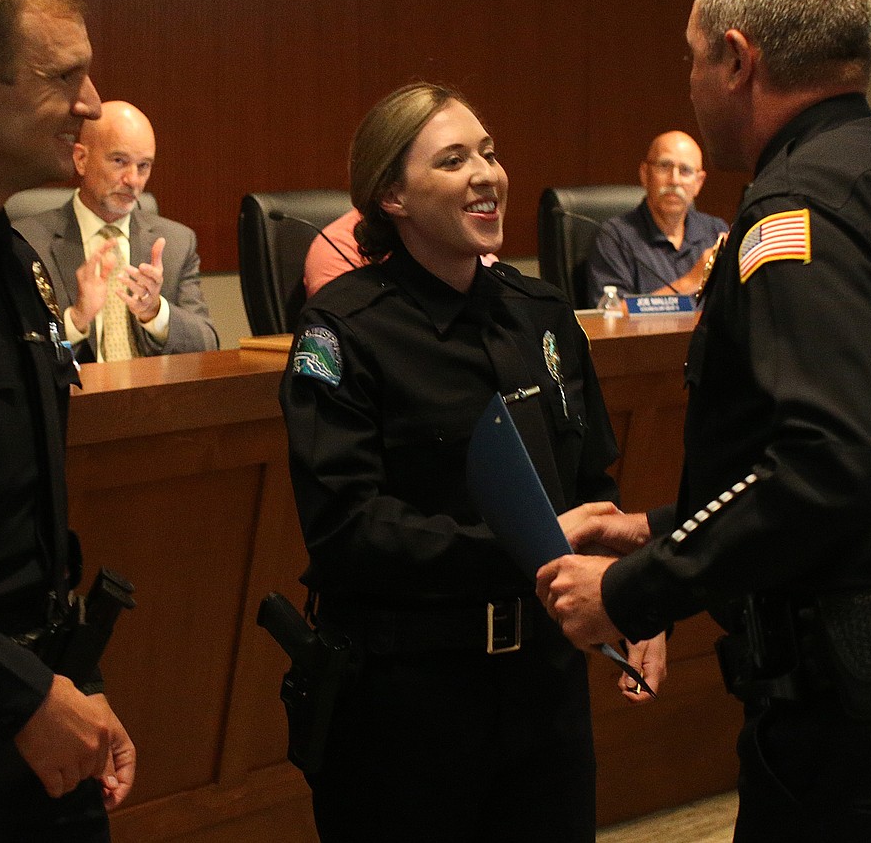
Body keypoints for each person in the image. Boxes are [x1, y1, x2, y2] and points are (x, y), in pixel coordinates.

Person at [538, 0, 871, 843]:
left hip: (868, 724)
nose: (687, 81)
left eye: (693, 57)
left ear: (738, 59)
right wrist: (657, 524)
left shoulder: (797, 208)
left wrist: (638, 588)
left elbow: (833, 462)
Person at [279, 82, 665, 842]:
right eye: (453, 160)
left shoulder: (543, 313)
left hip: (544, 693)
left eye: (488, 152)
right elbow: (348, 530)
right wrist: (529, 551)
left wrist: (635, 596)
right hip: (409, 703)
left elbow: (593, 484)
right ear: (391, 193)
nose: (486, 174)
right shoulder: (344, 330)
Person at [0, 0, 135, 840]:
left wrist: (71, 683)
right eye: (66, 76)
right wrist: (24, 692)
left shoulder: (6, 254)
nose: (91, 104)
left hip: (38, 708)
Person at [16, 100, 218, 362]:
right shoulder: (28, 241)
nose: (133, 180)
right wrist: (76, 319)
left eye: (143, 166)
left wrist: (155, 312)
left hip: (153, 398)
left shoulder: (176, 244)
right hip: (78, 399)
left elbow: (208, 343)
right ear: (81, 159)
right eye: (119, 161)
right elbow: (16, 351)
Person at [584, 130, 727, 306]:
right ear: (645, 174)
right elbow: (610, 315)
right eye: (664, 167)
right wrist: (689, 283)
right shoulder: (614, 237)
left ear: (699, 182)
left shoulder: (715, 231)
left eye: (685, 170)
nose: (674, 180)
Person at [303, 204, 497, 298]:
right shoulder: (336, 244)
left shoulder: (454, 237)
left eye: (488, 156)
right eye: (452, 162)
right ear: (392, 192)